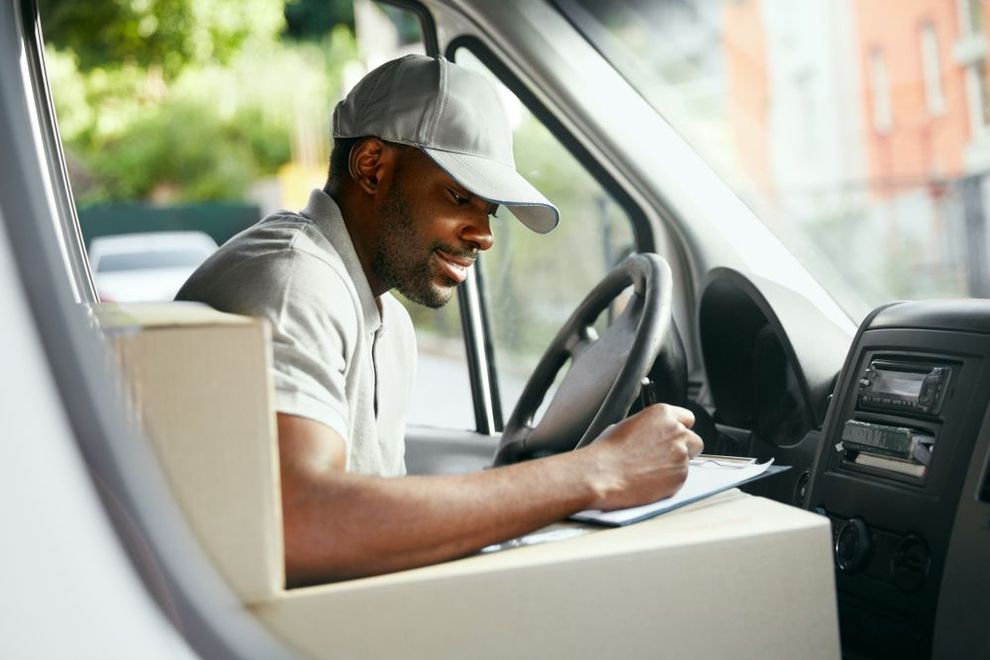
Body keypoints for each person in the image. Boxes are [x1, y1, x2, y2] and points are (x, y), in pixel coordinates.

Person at [177, 54, 703, 586]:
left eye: (490, 211)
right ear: (372, 166)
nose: (484, 234)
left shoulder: (384, 319)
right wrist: (598, 471)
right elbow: (302, 521)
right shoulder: (294, 280)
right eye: (459, 197)